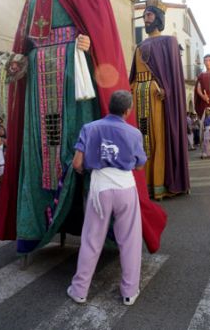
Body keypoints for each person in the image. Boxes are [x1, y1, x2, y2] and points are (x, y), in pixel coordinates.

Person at [0, 0, 166, 255]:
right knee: (39, 156)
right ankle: (34, 227)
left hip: (78, 84)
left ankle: (102, 229)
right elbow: (24, 43)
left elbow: (104, 43)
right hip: (40, 85)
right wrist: (16, 61)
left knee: (83, 151)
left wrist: (85, 47)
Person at [67, 90, 146, 306]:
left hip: (100, 187)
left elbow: (76, 163)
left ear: (109, 107)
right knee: (129, 241)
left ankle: (80, 290)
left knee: (92, 239)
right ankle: (129, 292)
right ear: (127, 110)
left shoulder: (89, 128)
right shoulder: (134, 133)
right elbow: (140, 164)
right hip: (125, 187)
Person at [129, 0, 190, 199]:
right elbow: (133, 74)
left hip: (157, 99)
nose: (145, 20)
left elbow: (172, 76)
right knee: (142, 139)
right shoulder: (139, 45)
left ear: (158, 18)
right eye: (145, 16)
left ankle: (159, 183)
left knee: (157, 140)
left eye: (149, 15)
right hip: (139, 96)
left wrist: (165, 89)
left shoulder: (169, 42)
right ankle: (144, 184)